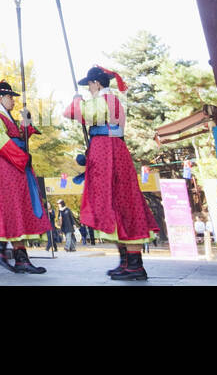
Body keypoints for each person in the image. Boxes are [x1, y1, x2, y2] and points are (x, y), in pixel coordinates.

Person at [65, 65, 160, 281]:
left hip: (109, 152)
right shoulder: (107, 100)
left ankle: (134, 263)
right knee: (115, 204)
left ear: (96, 83)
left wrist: (77, 101)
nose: (88, 89)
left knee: (122, 204)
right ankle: (126, 260)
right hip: (106, 151)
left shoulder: (105, 101)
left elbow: (74, 113)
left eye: (89, 85)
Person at [0, 81, 50, 274]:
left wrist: (27, 122)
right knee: (11, 206)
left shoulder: (7, 118)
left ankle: (20, 258)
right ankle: (0, 248)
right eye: (10, 97)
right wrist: (22, 157)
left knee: (19, 208)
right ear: (1, 98)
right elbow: (2, 144)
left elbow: (21, 136)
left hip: (18, 168)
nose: (13, 101)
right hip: (9, 166)